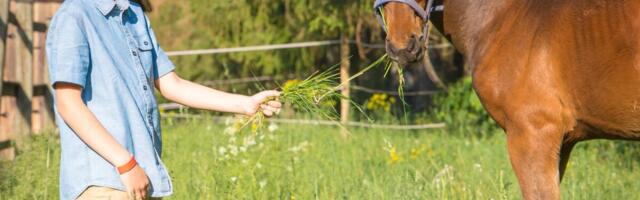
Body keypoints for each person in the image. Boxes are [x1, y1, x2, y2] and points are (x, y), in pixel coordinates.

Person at [45, 0, 282, 199]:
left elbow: (172, 85)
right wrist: (125, 163)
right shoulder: (74, 15)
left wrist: (245, 104)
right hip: (102, 182)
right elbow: (69, 104)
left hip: (140, 176)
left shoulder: (134, 14)